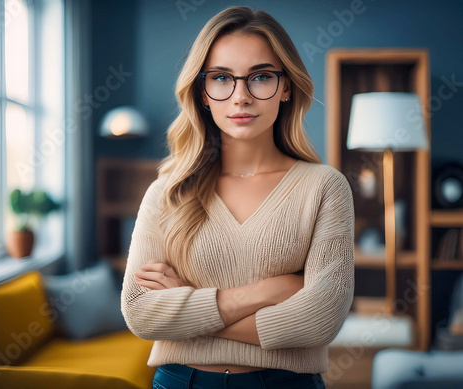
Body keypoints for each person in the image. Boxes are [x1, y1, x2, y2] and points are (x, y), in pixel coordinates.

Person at [121, 5, 355, 389]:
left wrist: (187, 304)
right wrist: (263, 293)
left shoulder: (324, 186)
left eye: (260, 77)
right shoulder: (167, 191)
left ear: (285, 87)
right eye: (221, 78)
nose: (241, 96)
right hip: (180, 382)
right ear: (203, 93)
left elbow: (320, 320)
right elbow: (140, 313)